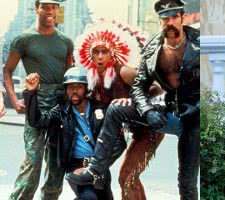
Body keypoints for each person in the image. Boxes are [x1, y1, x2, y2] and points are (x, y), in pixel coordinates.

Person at [66, 0, 200, 199]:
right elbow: (139, 88)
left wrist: (141, 103)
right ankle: (94, 170)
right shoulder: (152, 48)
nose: (170, 22)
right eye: (165, 18)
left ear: (182, 17)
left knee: (183, 182)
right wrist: (145, 109)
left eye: (174, 17)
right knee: (125, 175)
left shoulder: (199, 42)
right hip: (156, 116)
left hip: (181, 120)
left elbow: (154, 89)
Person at [74, 19, 165, 199]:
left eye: (104, 52)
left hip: (149, 130)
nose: (100, 56)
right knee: (129, 177)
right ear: (90, 56)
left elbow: (157, 87)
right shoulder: (94, 81)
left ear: (112, 54)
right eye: (96, 52)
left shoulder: (123, 71)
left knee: (126, 176)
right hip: (136, 131)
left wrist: (133, 100)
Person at [3, 0, 74, 199]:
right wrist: (15, 100)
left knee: (56, 161)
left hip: (60, 102)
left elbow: (70, 74)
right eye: (45, 6)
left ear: (57, 10)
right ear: (37, 9)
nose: (50, 11)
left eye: (53, 7)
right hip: (37, 100)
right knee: (33, 160)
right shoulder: (24, 38)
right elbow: (7, 70)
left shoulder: (66, 41)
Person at [23, 67, 113, 200]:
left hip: (98, 166)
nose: (74, 91)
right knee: (89, 198)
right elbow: (37, 122)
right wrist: (31, 93)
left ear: (86, 88)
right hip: (76, 167)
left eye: (79, 87)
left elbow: (114, 140)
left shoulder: (99, 109)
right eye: (70, 87)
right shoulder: (61, 112)